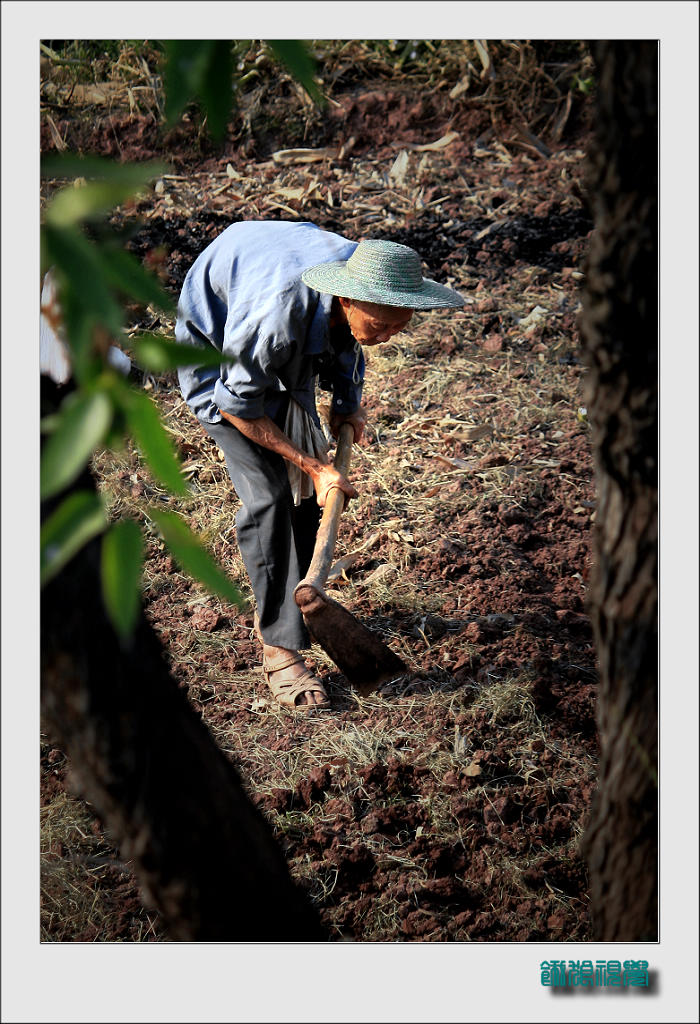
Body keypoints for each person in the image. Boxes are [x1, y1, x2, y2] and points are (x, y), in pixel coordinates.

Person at [176, 221, 464, 711]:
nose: (389, 337)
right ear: (347, 302)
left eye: (400, 325)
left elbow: (349, 343)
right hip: (219, 356)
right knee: (269, 497)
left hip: (284, 337)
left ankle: (303, 597)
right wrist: (311, 464)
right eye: (380, 325)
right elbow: (237, 403)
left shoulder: (365, 272)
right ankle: (279, 647)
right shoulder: (278, 316)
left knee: (307, 497)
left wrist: (348, 401)